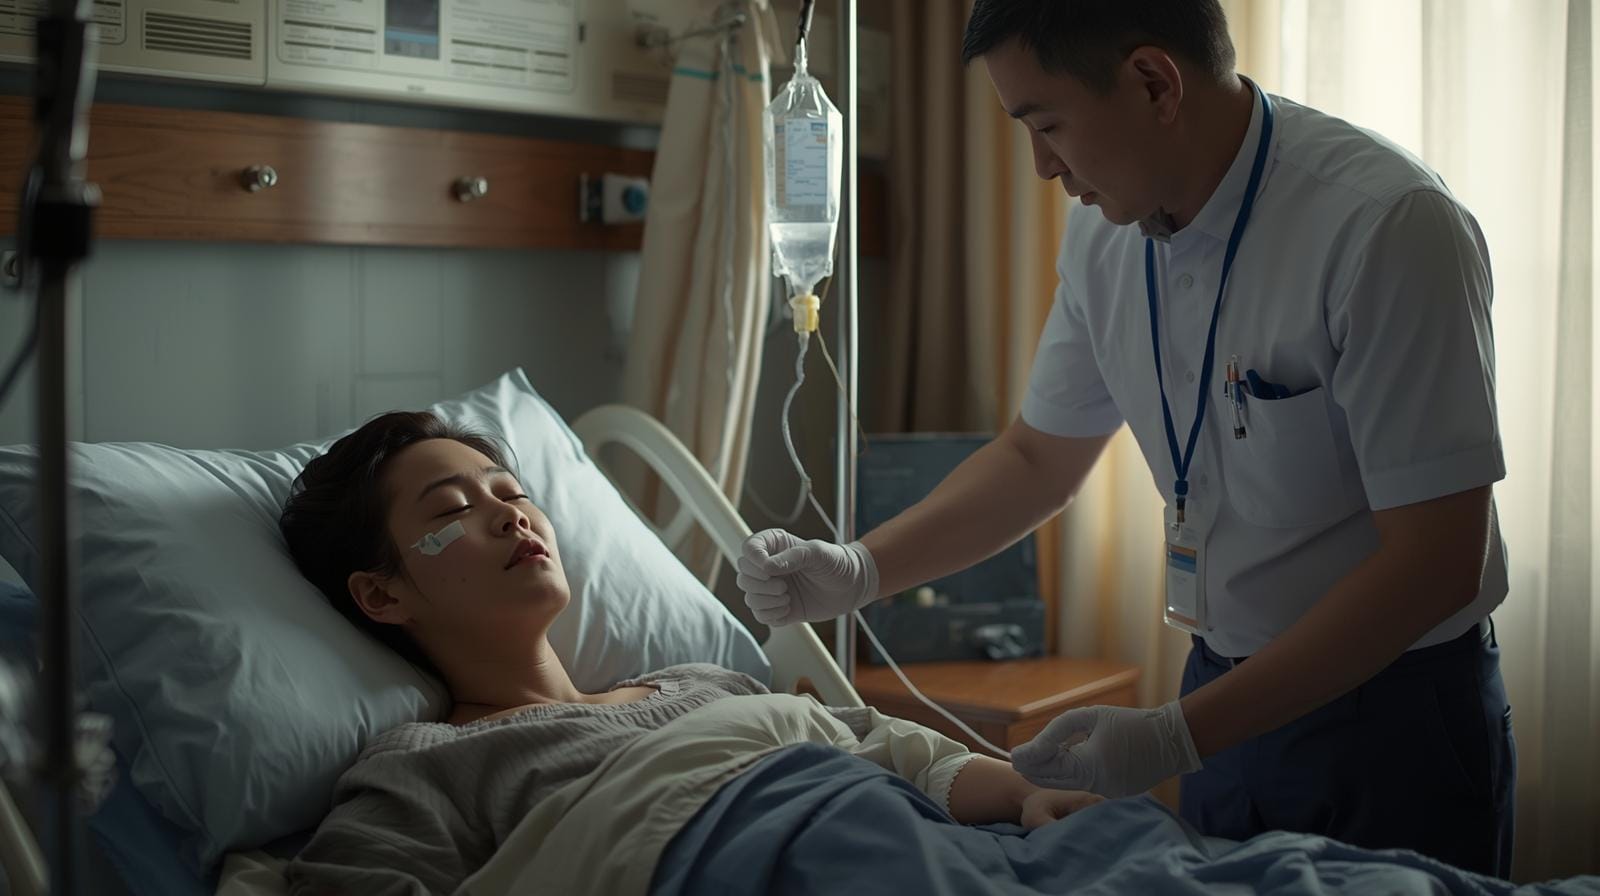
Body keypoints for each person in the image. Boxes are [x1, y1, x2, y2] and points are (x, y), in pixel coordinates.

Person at [737, 0, 1515, 877]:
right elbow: (1038, 459)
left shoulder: (1385, 226)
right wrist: (859, 571)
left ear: (1154, 82)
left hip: (1394, 715)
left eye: (1050, 125)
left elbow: (1438, 561)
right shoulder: (1107, 239)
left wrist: (1178, 736)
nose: (1040, 166)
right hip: (1221, 700)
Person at [277, 411, 1101, 895]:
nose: (512, 517)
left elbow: (883, 749)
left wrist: (1026, 792)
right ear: (382, 594)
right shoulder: (426, 767)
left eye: (513, 493)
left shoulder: (703, 682)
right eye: (452, 509)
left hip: (919, 839)